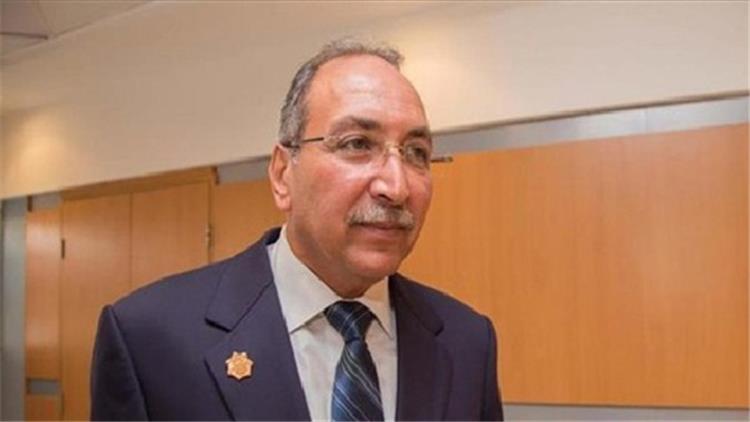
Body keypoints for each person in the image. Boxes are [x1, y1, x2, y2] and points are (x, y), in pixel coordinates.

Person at [91, 38, 503, 421]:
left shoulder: (468, 342)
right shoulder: (149, 339)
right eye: (357, 144)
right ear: (282, 174)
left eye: (416, 153)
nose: (396, 187)